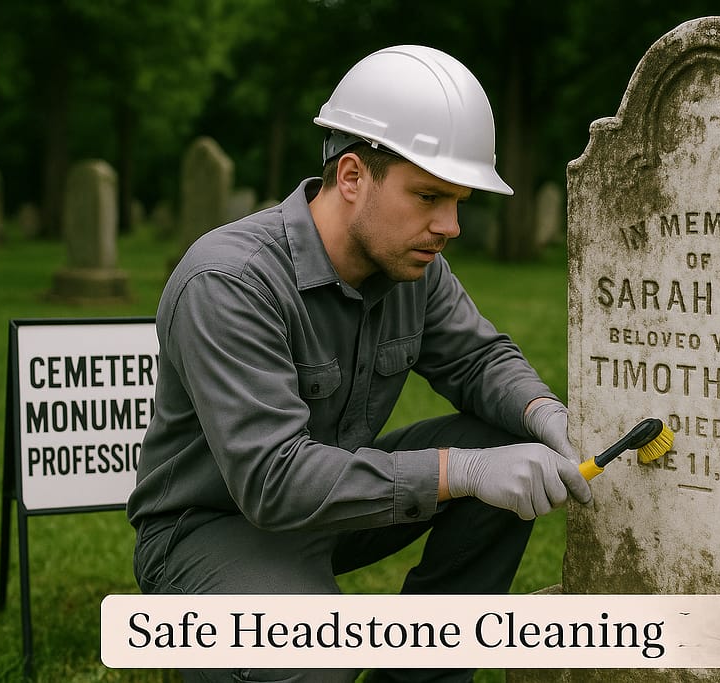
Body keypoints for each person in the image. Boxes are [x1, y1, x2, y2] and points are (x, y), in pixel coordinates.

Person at [126, 44, 591, 683]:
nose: (449, 225)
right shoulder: (229, 281)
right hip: (214, 526)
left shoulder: (411, 266)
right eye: (428, 197)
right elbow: (273, 481)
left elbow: (480, 359)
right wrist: (465, 470)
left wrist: (544, 414)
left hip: (341, 507)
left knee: (511, 436)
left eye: (458, 201)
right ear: (351, 177)